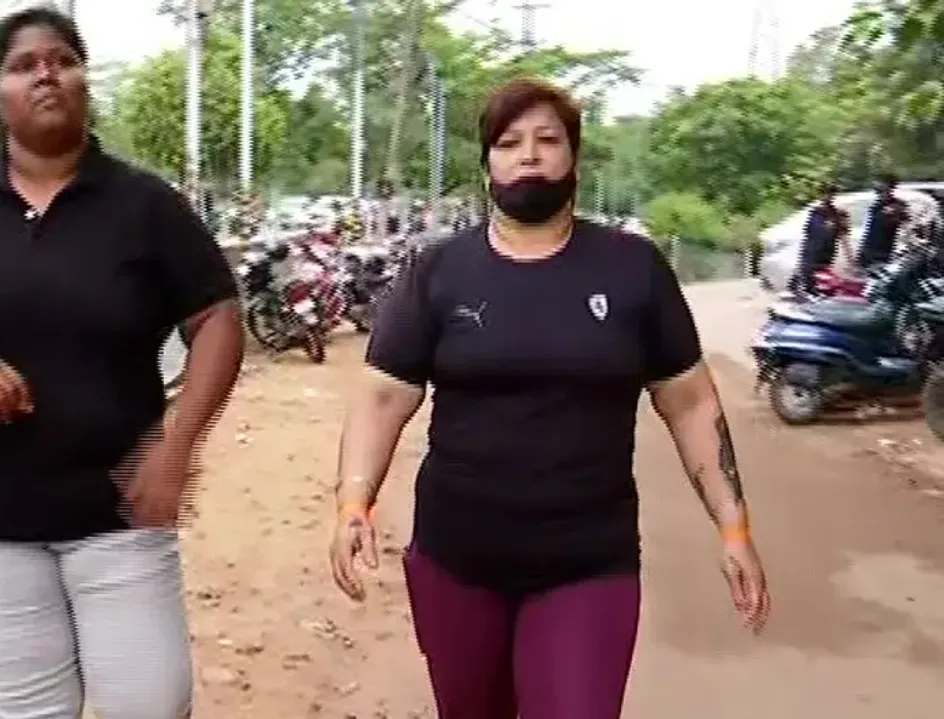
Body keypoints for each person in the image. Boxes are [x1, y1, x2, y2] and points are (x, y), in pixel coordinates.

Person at [329, 78, 770, 719]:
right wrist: (353, 502)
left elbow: (690, 403)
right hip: (458, 557)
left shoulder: (633, 268)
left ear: (575, 158)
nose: (528, 155)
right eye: (508, 143)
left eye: (547, 140)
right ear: (486, 166)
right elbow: (382, 398)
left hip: (588, 561)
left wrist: (734, 527)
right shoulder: (440, 271)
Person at [0, 8, 243, 718]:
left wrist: (180, 441)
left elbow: (217, 316)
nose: (46, 74)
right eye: (23, 64)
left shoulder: (144, 206)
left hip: (116, 515)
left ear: (85, 79)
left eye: (62, 59)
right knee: (32, 711)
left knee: (151, 704)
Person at [792, 183, 850, 295]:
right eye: (824, 194)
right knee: (807, 278)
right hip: (811, 251)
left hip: (825, 253)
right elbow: (808, 232)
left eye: (830, 194)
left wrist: (850, 259)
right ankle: (805, 294)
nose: (826, 197)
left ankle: (817, 296)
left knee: (821, 281)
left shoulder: (838, 214)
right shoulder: (815, 212)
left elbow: (843, 234)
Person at [857, 174, 909, 269]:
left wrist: (895, 214)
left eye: (883, 187)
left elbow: (906, 225)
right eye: (879, 190)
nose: (881, 192)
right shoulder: (876, 206)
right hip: (868, 253)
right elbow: (870, 230)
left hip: (883, 254)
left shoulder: (898, 205)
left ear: (890, 188)